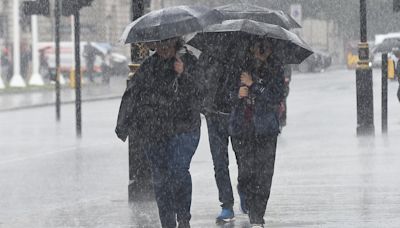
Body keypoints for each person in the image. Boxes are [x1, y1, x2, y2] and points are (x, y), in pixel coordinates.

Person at [115, 38, 204, 228]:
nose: (163, 48)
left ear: (176, 43)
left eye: (168, 44)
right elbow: (134, 96)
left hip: (184, 128)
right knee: (161, 178)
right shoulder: (148, 67)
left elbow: (200, 92)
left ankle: (183, 217)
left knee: (179, 170)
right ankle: (168, 222)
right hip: (155, 130)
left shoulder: (188, 62)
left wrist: (184, 75)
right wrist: (125, 125)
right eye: (160, 44)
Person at [228, 39, 284, 228]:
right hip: (242, 129)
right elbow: (226, 95)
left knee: (264, 174)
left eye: (266, 48)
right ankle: (249, 200)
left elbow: (275, 97)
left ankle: (257, 215)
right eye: (258, 47)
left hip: (266, 129)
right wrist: (237, 94)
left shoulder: (275, 70)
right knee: (246, 173)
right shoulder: (239, 67)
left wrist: (254, 85)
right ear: (251, 48)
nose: (261, 51)